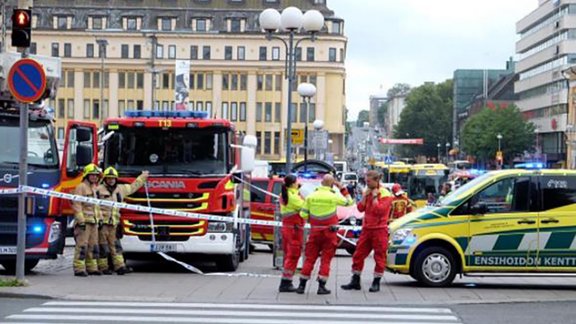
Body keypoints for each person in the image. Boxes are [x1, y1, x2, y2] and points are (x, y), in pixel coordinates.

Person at [296, 174, 354, 295]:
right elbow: (349, 202)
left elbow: (303, 214)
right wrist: (343, 189)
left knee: (310, 259)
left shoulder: (311, 196)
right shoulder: (333, 196)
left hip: (315, 232)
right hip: (330, 232)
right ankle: (321, 286)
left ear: (321, 183)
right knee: (326, 259)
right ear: (332, 184)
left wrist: (313, 219)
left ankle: (302, 286)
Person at [341, 171, 393, 293]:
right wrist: (365, 196)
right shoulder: (368, 191)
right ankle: (355, 280)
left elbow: (379, 210)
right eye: (366, 181)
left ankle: (376, 282)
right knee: (358, 254)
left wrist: (374, 197)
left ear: (376, 181)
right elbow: (360, 208)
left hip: (379, 229)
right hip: (367, 229)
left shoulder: (385, 194)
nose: (366, 183)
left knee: (379, 256)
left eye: (368, 181)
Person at [96, 167, 149, 275]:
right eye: (109, 178)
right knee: (103, 246)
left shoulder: (121, 189)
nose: (111, 180)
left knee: (116, 246)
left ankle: (120, 267)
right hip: (103, 224)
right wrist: (98, 220)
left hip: (114, 224)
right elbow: (94, 206)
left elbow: (134, 186)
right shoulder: (98, 190)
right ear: (105, 179)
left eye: (113, 178)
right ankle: (103, 267)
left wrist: (143, 177)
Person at [72, 163, 103, 277]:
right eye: (92, 175)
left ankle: (92, 268)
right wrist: (81, 221)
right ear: (86, 176)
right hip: (84, 222)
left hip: (94, 222)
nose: (95, 177)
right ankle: (79, 268)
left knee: (93, 245)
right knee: (82, 245)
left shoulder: (94, 188)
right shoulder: (81, 187)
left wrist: (99, 219)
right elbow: (77, 205)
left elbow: (97, 206)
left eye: (96, 175)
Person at [278, 174, 305, 292]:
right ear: (293, 183)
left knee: (290, 254)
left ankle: (287, 280)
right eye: (296, 182)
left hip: (290, 228)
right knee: (293, 254)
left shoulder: (287, 194)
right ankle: (286, 282)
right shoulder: (293, 197)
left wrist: (298, 191)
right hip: (294, 229)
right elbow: (305, 207)